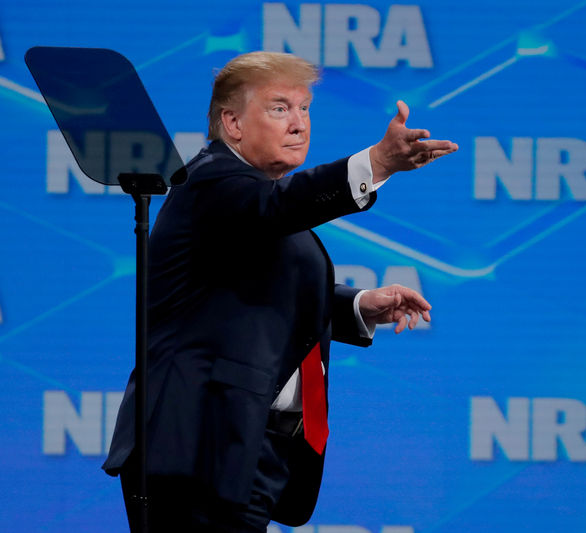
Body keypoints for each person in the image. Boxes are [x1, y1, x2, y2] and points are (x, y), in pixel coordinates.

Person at [102, 51, 458, 532]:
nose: (299, 124)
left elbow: (257, 289)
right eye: (279, 108)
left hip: (249, 448)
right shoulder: (211, 181)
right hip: (198, 445)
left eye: (305, 109)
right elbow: (282, 207)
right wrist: (376, 162)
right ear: (232, 122)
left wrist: (357, 305)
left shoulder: (254, 198)